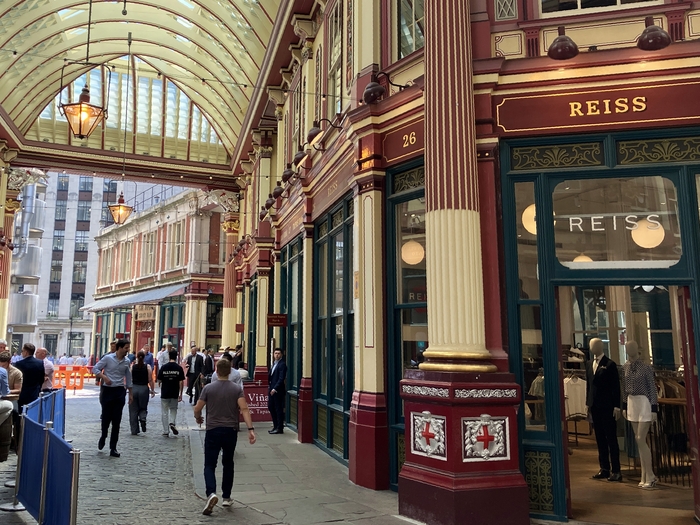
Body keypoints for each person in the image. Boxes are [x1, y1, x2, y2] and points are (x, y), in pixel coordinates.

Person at [194, 358, 256, 515]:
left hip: (213, 429)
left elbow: (197, 408)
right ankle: (227, 497)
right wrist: (250, 429)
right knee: (228, 463)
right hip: (230, 430)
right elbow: (244, 409)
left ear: (216, 370)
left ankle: (211, 493)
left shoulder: (208, 388)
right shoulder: (236, 389)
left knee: (209, 464)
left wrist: (198, 418)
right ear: (230, 371)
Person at [586, 337, 622, 482]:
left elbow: (615, 387)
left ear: (601, 346)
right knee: (600, 438)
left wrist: (617, 406)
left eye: (595, 345)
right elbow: (589, 385)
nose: (593, 347)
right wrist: (587, 403)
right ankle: (604, 468)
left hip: (607, 406)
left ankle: (617, 470)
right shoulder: (589, 364)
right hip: (594, 406)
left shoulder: (610, 364)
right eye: (591, 345)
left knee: (611, 438)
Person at [622, 341, 658, 489]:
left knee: (640, 438)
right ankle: (645, 475)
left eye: (632, 347)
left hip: (643, 402)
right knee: (638, 441)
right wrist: (624, 406)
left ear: (638, 349)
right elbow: (624, 388)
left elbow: (652, 388)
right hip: (631, 402)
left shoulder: (645, 367)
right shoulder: (625, 367)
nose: (629, 350)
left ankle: (650, 474)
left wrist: (654, 408)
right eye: (627, 348)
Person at [93, 339, 133, 457]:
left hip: (120, 390)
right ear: (119, 348)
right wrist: (104, 377)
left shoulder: (127, 361)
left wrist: (130, 393)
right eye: (126, 348)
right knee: (106, 417)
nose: (127, 350)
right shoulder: (108, 358)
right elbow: (95, 369)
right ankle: (103, 435)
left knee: (117, 421)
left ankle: (113, 447)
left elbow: (128, 377)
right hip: (107, 390)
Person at [158, 349, 185, 437]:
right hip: (174, 392)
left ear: (169, 356)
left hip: (165, 392)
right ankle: (172, 422)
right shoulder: (179, 368)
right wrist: (180, 394)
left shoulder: (164, 367)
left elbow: (159, 380)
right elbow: (181, 382)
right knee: (173, 409)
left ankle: (166, 430)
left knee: (164, 412)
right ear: (176, 357)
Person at [129, 350, 155, 435]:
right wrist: (152, 390)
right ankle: (143, 418)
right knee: (143, 407)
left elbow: (130, 379)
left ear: (136, 357)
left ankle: (134, 430)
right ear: (144, 358)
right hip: (144, 389)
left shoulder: (132, 367)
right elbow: (150, 380)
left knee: (133, 410)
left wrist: (129, 390)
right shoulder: (147, 367)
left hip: (134, 388)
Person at [14, 343, 45, 408]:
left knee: (21, 413)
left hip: (22, 393)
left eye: (22, 351)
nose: (21, 353)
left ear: (26, 352)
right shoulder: (40, 363)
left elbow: (16, 379)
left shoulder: (19, 364)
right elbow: (41, 379)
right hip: (34, 393)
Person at [267, 348, 287, 435]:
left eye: (278, 353)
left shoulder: (282, 365)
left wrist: (275, 389)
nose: (277, 355)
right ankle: (275, 426)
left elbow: (281, 378)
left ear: (281, 355)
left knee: (278, 409)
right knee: (271, 407)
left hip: (277, 391)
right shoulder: (274, 364)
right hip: (271, 389)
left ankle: (279, 427)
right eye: (275, 353)